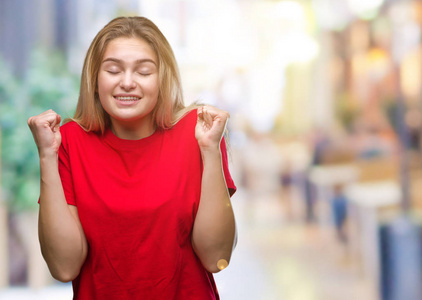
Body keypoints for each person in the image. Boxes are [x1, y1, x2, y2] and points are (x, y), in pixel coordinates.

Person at [27, 16, 237, 299]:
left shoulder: (199, 134)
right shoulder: (69, 142)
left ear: (162, 78)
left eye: (144, 71)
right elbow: (64, 268)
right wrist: (46, 157)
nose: (127, 82)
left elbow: (217, 258)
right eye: (113, 70)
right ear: (95, 79)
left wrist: (211, 152)